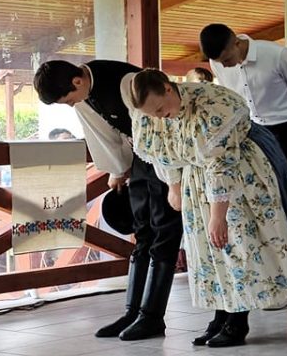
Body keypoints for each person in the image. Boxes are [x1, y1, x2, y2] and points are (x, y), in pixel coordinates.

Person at [125, 70, 287, 348]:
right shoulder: (151, 115)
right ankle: (221, 314)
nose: (159, 117)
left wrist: (218, 215)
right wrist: (174, 185)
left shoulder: (214, 104)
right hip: (195, 180)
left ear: (168, 88)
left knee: (236, 244)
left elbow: (221, 163)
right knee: (208, 251)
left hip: (236, 177)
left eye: (160, 109)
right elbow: (162, 153)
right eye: (152, 114)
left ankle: (238, 318)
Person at [35, 59, 182, 341]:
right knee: (143, 235)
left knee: (164, 234)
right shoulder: (83, 94)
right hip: (140, 160)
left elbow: (158, 123)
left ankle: (152, 316)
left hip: (167, 157)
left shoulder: (125, 81)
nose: (71, 105)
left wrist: (172, 179)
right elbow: (102, 135)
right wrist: (117, 170)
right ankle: (132, 312)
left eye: (68, 100)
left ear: (77, 82)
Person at [200, 23, 287, 181]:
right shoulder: (216, 63)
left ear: (237, 43)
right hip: (249, 130)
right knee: (257, 186)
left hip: (285, 130)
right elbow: (230, 99)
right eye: (219, 62)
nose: (224, 66)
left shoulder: (277, 54)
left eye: (227, 59)